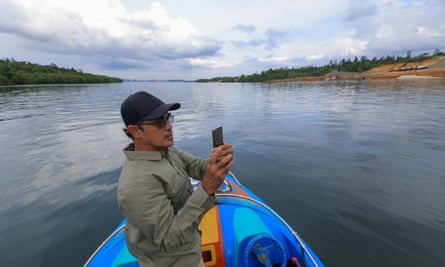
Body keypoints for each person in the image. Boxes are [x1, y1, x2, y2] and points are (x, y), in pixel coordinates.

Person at [117, 91, 233, 267]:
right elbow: (168, 240)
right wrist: (207, 189)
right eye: (159, 122)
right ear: (135, 131)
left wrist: (218, 160)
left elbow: (196, 167)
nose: (169, 126)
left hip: (191, 252)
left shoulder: (166, 151)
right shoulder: (135, 184)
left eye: (168, 119)